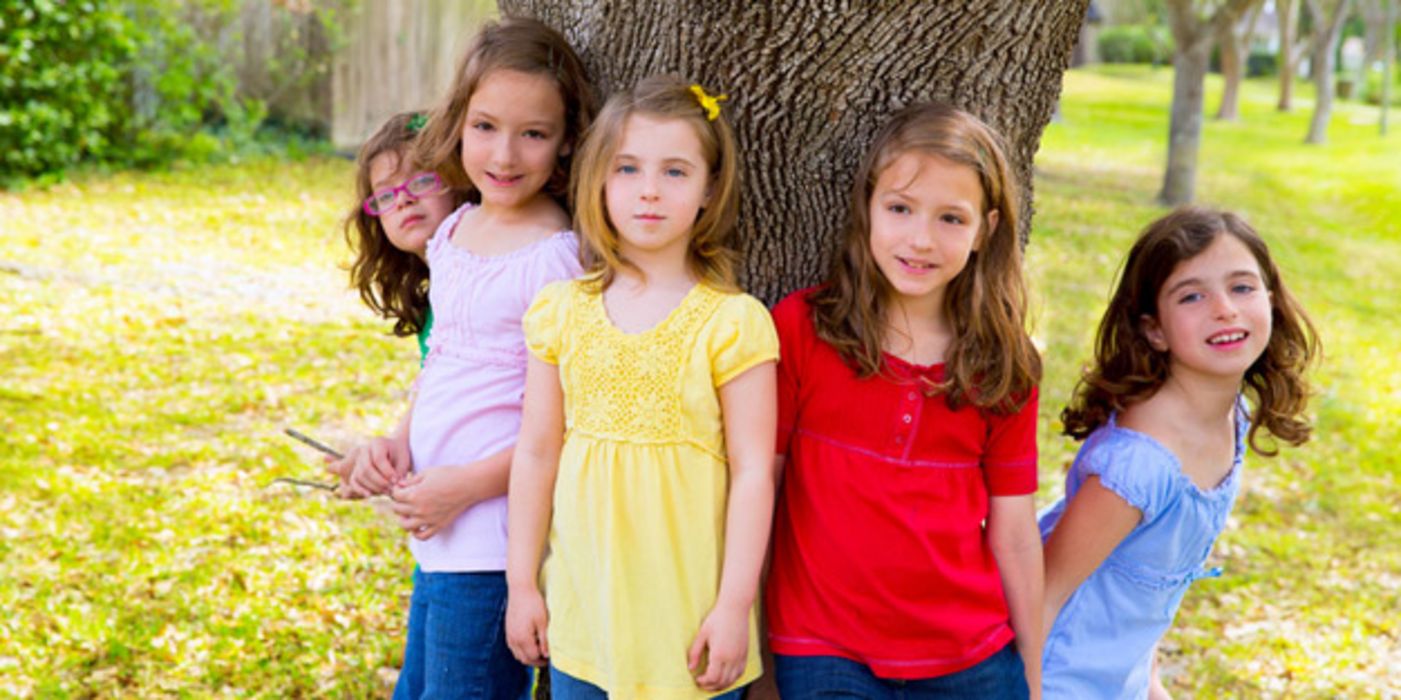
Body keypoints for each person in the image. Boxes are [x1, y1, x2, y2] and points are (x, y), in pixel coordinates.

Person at [505, 76, 778, 699]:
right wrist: (522, 584)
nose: (649, 190)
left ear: (709, 189)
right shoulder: (560, 312)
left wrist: (735, 608)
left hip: (688, 629)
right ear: (599, 179)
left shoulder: (731, 323)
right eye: (627, 168)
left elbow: (755, 474)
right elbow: (538, 452)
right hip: (583, 618)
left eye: (676, 172)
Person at [346, 18, 595, 700]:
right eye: (484, 126)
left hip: (494, 541)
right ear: (458, 123)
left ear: (568, 138)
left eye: (533, 133)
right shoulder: (456, 229)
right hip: (438, 535)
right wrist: (398, 442)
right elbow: (444, 364)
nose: (504, 155)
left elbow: (569, 423)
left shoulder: (556, 258)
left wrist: (466, 487)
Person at [764, 102, 1044, 699]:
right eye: (899, 209)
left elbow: (1015, 533)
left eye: (950, 218)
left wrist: (1035, 673)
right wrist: (758, 654)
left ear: (986, 230)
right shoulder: (804, 330)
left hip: (969, 657)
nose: (920, 239)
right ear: (867, 207)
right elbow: (761, 490)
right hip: (822, 649)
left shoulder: (1004, 364)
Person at [1039, 207, 1318, 700]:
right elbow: (1043, 595)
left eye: (1242, 287)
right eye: (1192, 295)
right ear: (1154, 330)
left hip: (1115, 674)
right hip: (1056, 673)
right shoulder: (1139, 465)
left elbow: (1148, 580)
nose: (1225, 309)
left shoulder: (1230, 413)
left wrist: (1148, 683)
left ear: (1270, 302)